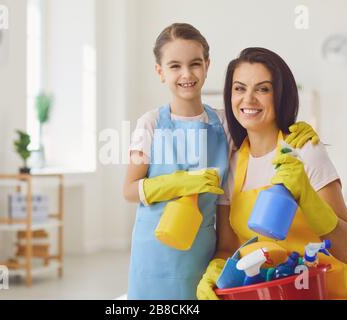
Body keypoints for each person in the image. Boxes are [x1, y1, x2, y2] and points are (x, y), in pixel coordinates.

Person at [123, 24, 317, 300]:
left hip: (201, 250)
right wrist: (175, 184)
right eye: (175, 66)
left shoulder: (226, 123)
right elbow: (130, 189)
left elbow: (264, 135)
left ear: (207, 65)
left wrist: (295, 133)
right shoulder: (149, 124)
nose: (186, 74)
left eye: (195, 64)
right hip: (153, 251)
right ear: (160, 71)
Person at [197, 47, 347, 300]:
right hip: (275, 292)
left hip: (329, 291)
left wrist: (307, 196)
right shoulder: (232, 163)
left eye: (263, 89)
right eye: (240, 88)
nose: (249, 99)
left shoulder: (305, 150)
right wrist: (216, 271)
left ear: (280, 95)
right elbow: (227, 246)